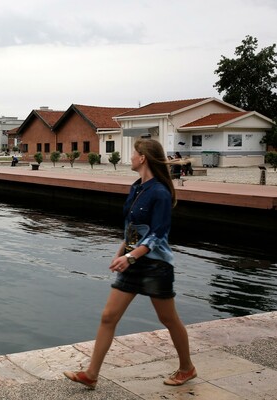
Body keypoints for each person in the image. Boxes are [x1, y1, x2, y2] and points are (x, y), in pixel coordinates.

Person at [64, 139, 196, 390]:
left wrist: (130, 256)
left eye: (133, 153)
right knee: (108, 316)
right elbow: (131, 230)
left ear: (143, 158)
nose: (131, 157)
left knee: (168, 318)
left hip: (155, 266)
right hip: (132, 261)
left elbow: (158, 234)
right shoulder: (137, 188)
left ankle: (187, 368)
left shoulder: (160, 192)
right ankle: (91, 374)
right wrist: (121, 254)